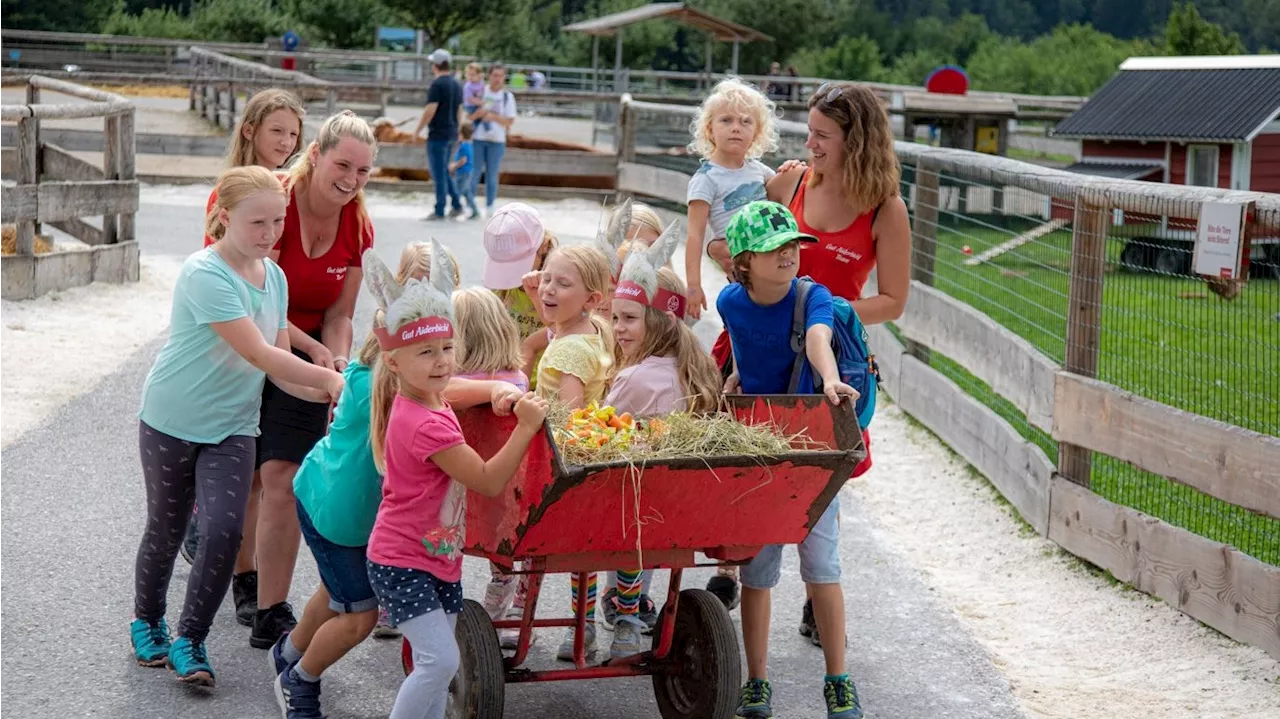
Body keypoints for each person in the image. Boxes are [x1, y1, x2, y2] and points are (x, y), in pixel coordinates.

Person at [130, 167, 344, 688]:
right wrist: (334, 380)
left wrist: (332, 394)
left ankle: (190, 641)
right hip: (171, 420)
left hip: (233, 425)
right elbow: (259, 350)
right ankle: (147, 621)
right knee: (168, 528)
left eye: (278, 221)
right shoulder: (203, 273)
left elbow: (278, 370)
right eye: (258, 222)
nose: (270, 233)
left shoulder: (275, 277)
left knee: (224, 529)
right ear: (225, 218)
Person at [204, 111, 377, 651]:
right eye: (343, 164)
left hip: (307, 354)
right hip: (251, 343)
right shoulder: (276, 205)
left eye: (364, 171)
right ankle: (243, 575)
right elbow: (258, 303)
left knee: (284, 475)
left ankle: (271, 609)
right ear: (316, 155)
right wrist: (302, 369)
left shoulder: (358, 225)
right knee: (250, 476)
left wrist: (338, 366)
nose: (351, 179)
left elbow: (340, 314)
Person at [362, 242, 548, 719]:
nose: (443, 360)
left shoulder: (430, 400)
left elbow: (465, 389)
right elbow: (487, 480)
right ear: (395, 363)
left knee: (438, 666)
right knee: (439, 660)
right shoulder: (428, 422)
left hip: (435, 556)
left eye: (448, 348)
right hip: (404, 559)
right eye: (427, 351)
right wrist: (526, 426)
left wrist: (494, 390)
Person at [270, 242, 449, 718]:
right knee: (359, 616)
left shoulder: (399, 372)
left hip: (342, 505)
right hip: (337, 510)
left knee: (335, 592)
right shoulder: (385, 386)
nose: (441, 358)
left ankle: (286, 655)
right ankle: (299, 680)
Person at [764, 82, 911, 647]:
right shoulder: (793, 182)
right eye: (810, 132)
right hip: (771, 347)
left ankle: (815, 591)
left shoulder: (885, 207)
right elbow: (750, 255)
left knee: (824, 474)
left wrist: (824, 310)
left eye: (823, 135)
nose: (811, 144)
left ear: (858, 140)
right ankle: (740, 574)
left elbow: (894, 300)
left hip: (835, 359)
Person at [717, 200, 863, 719]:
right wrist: (734, 375)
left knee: (822, 565)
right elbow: (742, 346)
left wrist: (828, 381)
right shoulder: (730, 302)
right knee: (756, 569)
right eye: (772, 249)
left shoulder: (813, 295)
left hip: (809, 446)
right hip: (756, 447)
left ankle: (839, 681)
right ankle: (757, 682)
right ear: (744, 261)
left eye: (792, 246)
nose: (787, 256)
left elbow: (819, 338)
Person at [182, 88, 307, 604]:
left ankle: (238, 561)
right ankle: (220, 543)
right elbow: (250, 288)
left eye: (295, 134)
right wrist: (309, 357)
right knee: (235, 453)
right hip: (241, 336)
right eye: (277, 130)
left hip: (275, 332)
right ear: (250, 129)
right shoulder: (237, 196)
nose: (286, 142)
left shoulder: (285, 191)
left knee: (260, 463)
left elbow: (274, 285)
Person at [601, 225, 722, 658]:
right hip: (681, 506)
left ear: (661, 320)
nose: (617, 328)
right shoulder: (699, 368)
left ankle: (625, 609)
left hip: (629, 504)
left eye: (629, 318)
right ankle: (633, 603)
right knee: (650, 511)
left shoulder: (634, 378)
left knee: (617, 502)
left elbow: (601, 431)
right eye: (614, 318)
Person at [532, 244, 615, 661]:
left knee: (536, 541)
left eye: (562, 283)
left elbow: (571, 415)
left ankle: (520, 614)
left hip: (556, 458)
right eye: (545, 277)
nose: (547, 288)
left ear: (592, 299)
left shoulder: (567, 349)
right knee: (583, 553)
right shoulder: (592, 332)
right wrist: (547, 295)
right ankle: (582, 625)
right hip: (590, 455)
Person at [684, 77, 779, 320]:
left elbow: (785, 186)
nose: (736, 127)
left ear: (756, 133)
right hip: (740, 266)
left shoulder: (758, 170)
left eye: (745, 122)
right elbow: (695, 235)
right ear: (710, 129)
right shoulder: (706, 179)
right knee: (746, 321)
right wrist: (694, 286)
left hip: (770, 258)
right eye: (726, 120)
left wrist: (792, 168)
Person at [414, 48, 464, 222]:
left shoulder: (437, 85)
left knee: (438, 173)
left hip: (438, 133)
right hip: (451, 133)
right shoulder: (457, 84)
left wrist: (418, 129)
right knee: (445, 171)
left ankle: (440, 209)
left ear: (435, 65)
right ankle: (457, 204)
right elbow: (459, 110)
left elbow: (431, 109)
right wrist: (458, 130)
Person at [470, 63, 518, 216]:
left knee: (492, 174)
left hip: (497, 140)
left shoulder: (507, 97)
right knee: (475, 172)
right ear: (489, 76)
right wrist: (479, 114)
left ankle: (490, 205)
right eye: (495, 75)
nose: (497, 79)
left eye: (500, 76)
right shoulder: (479, 93)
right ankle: (470, 203)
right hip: (478, 137)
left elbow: (509, 121)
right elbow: (469, 116)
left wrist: (493, 117)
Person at [448, 122, 479, 221]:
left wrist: (454, 166)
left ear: (461, 134)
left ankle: (457, 208)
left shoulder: (463, 146)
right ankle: (474, 211)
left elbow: (463, 160)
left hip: (463, 172)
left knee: (458, 191)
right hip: (466, 172)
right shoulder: (469, 145)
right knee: (466, 192)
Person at [462, 62, 489, 134]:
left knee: (485, 116)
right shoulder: (468, 86)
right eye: (468, 74)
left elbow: (484, 93)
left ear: (479, 75)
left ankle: (487, 130)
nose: (470, 77)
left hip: (479, 104)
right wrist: (480, 103)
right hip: (471, 106)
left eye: (473, 75)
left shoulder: (481, 83)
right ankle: (474, 132)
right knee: (475, 119)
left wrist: (482, 103)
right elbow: (470, 99)